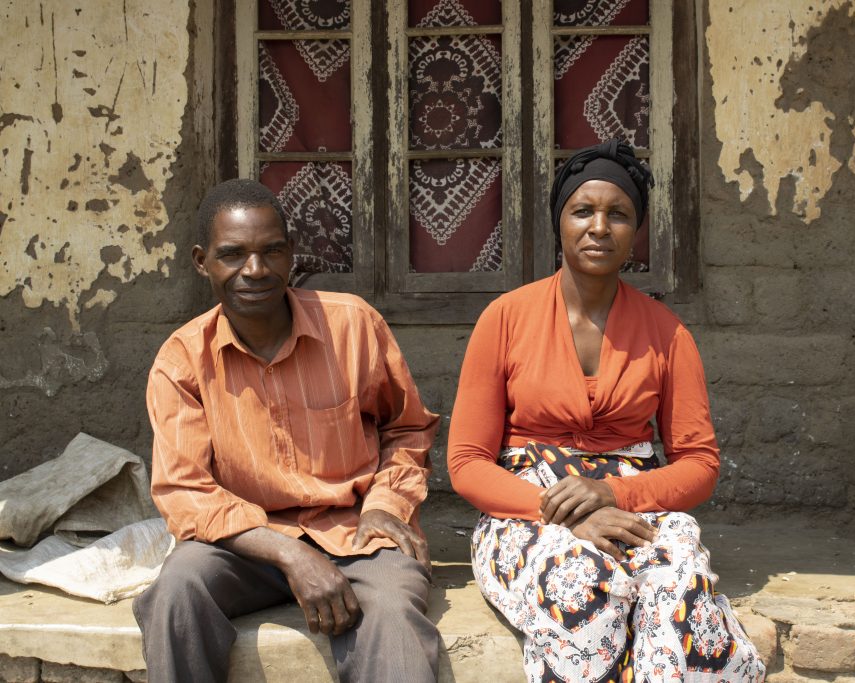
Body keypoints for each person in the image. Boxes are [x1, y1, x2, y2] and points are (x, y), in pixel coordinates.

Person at [447, 140, 766, 682]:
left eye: (617, 214)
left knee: (681, 581)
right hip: (528, 508)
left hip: (636, 507)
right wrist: (565, 512)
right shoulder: (504, 319)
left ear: (635, 232)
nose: (599, 227)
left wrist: (614, 495)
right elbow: (467, 462)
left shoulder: (668, 334)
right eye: (582, 211)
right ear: (560, 222)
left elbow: (699, 464)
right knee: (583, 582)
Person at [134, 179, 441, 683]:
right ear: (201, 261)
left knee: (392, 613)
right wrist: (290, 554)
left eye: (271, 251)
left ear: (291, 255)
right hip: (243, 545)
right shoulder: (181, 359)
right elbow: (185, 492)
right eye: (232, 255)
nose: (254, 271)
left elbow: (407, 430)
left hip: (357, 532)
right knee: (175, 593)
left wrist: (386, 507)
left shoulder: (352, 326)